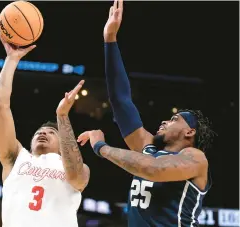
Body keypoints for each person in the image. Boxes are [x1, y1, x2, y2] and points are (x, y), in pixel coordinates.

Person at [77, 0, 215, 226]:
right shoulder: (148, 147)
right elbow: (121, 101)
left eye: (174, 119)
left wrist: (102, 148)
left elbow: (152, 169)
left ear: (190, 132)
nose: (165, 121)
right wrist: (110, 40)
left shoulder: (195, 158)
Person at [0, 33, 90, 227]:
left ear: (63, 144)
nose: (43, 133)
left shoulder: (76, 168)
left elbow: (77, 178)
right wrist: (11, 60)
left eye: (52, 133)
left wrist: (62, 116)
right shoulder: (16, 159)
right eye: (39, 132)